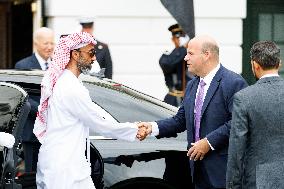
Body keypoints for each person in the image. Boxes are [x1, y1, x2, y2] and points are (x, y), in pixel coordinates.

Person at [33, 32, 145, 188]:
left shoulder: (68, 82)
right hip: (65, 169)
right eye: (91, 53)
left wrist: (130, 127)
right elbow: (99, 123)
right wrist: (134, 130)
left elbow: (97, 113)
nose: (94, 59)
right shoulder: (70, 87)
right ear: (75, 54)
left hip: (65, 164)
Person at [138, 35, 248, 189]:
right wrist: (153, 127)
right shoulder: (192, 85)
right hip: (196, 172)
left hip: (223, 173)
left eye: (190, 53)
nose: (185, 58)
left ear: (207, 55)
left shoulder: (234, 82)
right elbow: (180, 120)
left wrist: (208, 142)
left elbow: (238, 122)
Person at [226, 41, 284, 189]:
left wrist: (233, 185)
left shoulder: (244, 98)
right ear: (280, 63)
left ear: (255, 65)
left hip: (259, 181)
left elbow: (237, 149)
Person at [14, 27, 55, 172]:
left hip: (54, 132)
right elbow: (23, 97)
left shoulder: (58, 65)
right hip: (32, 132)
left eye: (52, 43)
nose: (49, 47)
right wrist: (45, 111)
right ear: (36, 43)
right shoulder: (23, 66)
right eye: (46, 43)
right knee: (33, 174)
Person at [159, 23, 192, 107]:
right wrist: (183, 49)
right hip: (174, 98)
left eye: (182, 37)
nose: (180, 40)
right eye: (178, 37)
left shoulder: (188, 54)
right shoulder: (167, 56)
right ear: (173, 39)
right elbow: (169, 64)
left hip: (188, 97)